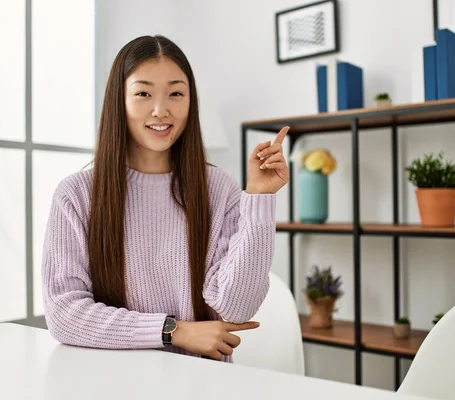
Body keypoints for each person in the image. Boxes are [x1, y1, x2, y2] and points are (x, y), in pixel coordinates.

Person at [41, 35, 290, 362]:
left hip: (201, 382)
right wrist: (174, 330)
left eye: (176, 93)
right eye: (143, 93)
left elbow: (236, 307)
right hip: (111, 379)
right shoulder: (76, 195)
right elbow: (64, 313)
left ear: (190, 101)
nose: (161, 110)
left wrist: (259, 196)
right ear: (120, 100)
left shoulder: (219, 189)